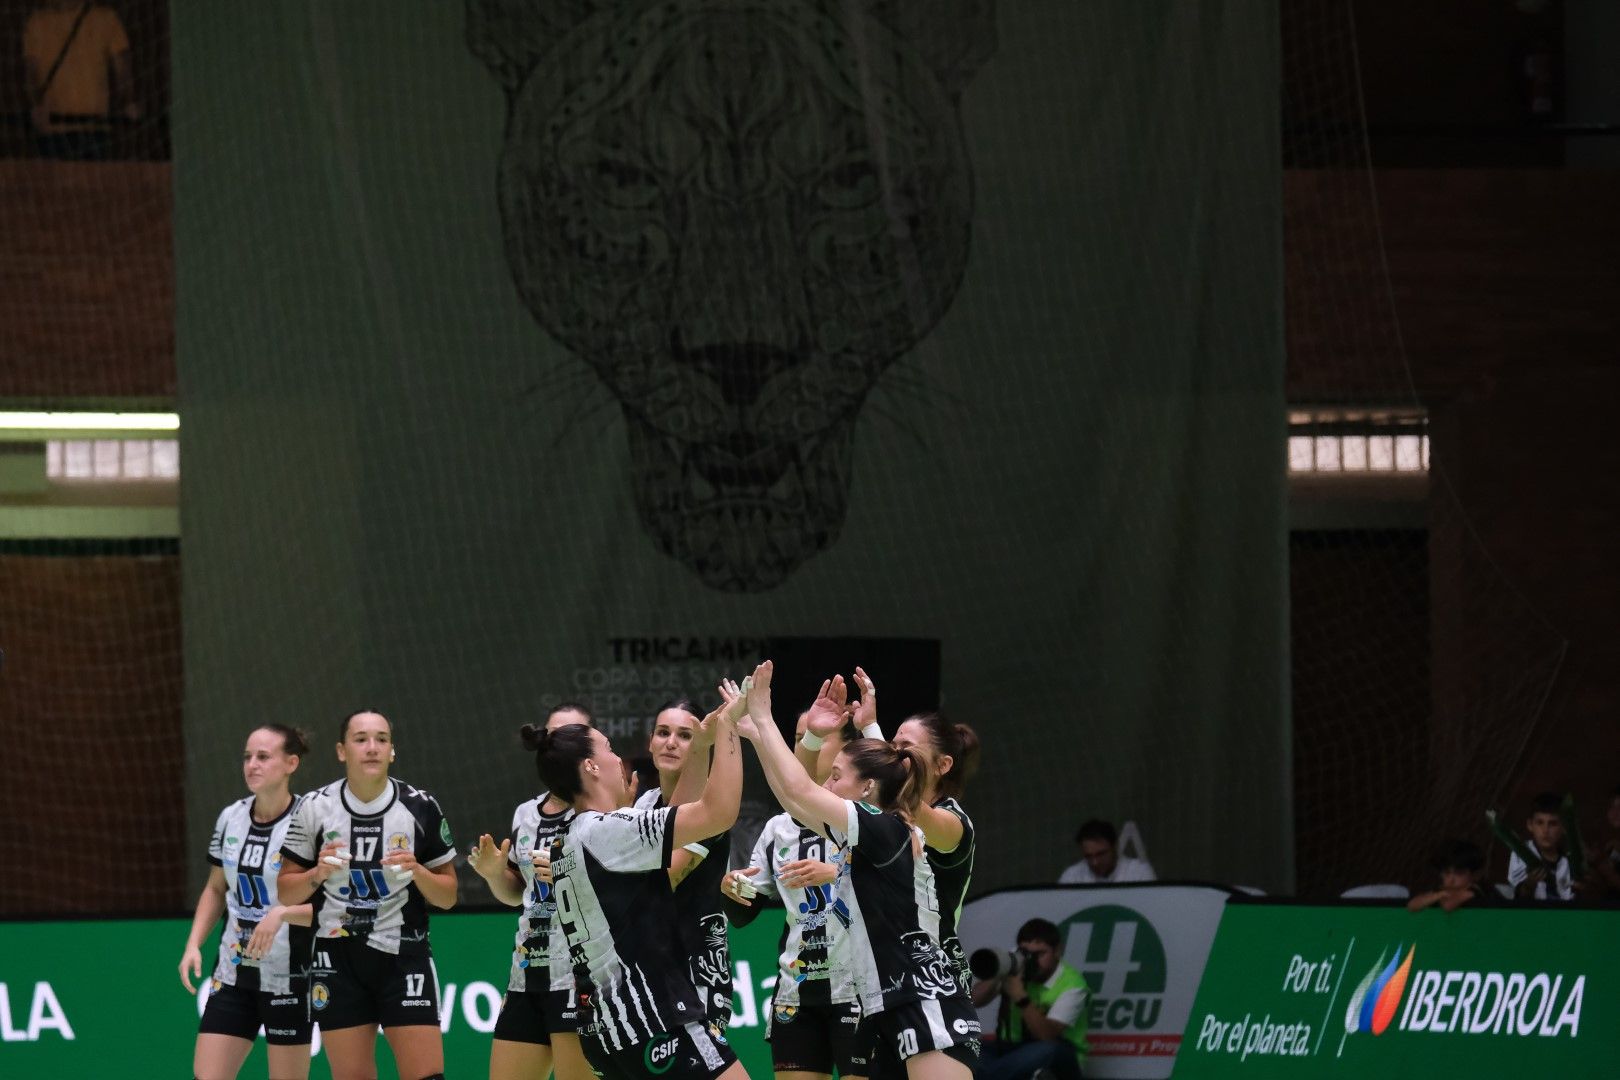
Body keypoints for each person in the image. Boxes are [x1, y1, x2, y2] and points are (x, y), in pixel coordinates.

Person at [735, 661, 979, 1080]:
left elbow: (803, 791)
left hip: (922, 993)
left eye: (834, 777)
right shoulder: (876, 826)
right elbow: (797, 800)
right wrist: (773, 736)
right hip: (882, 1001)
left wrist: (763, 716)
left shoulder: (895, 825)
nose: (824, 785)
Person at [535, 687, 748, 1080]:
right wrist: (729, 730)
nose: (619, 757)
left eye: (683, 735)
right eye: (609, 748)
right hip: (654, 1014)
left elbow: (675, 819)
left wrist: (701, 750)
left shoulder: (568, 838)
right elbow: (717, 812)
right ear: (591, 767)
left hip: (607, 1026)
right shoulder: (611, 830)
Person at [278, 710, 459, 1080]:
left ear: (392, 750)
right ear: (342, 751)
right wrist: (317, 873)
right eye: (361, 739)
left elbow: (448, 896)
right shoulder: (314, 808)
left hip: (403, 954)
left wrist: (418, 871)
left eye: (381, 739)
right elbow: (285, 891)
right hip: (337, 957)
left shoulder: (420, 806)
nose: (372, 748)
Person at [722, 709, 864, 1080]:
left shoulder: (865, 819)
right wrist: (733, 889)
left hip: (860, 991)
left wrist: (836, 871)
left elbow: (896, 877)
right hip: (796, 994)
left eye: (818, 736)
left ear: (850, 748)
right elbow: (742, 915)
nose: (806, 745)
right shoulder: (777, 829)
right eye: (800, 737)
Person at [468, 703, 597, 1080]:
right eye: (557, 738)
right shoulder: (526, 814)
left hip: (578, 977)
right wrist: (494, 875)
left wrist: (569, 875)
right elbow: (517, 895)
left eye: (576, 737)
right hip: (526, 974)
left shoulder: (602, 812)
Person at [180, 724, 315, 1080]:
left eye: (263, 757)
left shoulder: (310, 821)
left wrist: (282, 914)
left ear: (291, 764)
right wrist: (194, 943)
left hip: (289, 978)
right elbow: (215, 888)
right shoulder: (231, 817)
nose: (252, 764)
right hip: (233, 974)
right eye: (247, 757)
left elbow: (330, 910)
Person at [635, 699, 736, 1030]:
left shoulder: (710, 806)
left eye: (685, 735)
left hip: (697, 972)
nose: (671, 742)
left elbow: (666, 877)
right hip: (648, 966)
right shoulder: (644, 804)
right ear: (650, 742)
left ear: (703, 745)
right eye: (663, 733)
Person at [889, 701, 981, 994]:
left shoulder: (954, 822)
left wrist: (869, 732)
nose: (895, 754)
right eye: (893, 745)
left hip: (936, 973)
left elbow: (907, 800)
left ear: (943, 765)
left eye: (906, 746)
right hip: (887, 969)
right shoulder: (888, 815)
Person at [969, 919, 1090, 1080]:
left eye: (1039, 954)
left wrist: (1020, 996)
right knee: (966, 1049)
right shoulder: (1017, 961)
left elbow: (1046, 1036)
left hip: (1058, 1054)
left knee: (1048, 1050)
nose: (1031, 959)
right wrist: (999, 971)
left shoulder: (1073, 985)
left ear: (1058, 951)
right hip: (1008, 1049)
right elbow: (973, 1001)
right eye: (1026, 952)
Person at [21, 0, 139, 159]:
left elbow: (123, 71)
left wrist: (128, 101)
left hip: (95, 128)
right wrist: (36, 106)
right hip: (53, 128)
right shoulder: (37, 22)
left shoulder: (105, 19)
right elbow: (30, 74)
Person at [1507, 791, 1574, 902]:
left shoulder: (1570, 858)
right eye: (1539, 823)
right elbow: (1518, 897)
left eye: (1552, 824)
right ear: (1530, 825)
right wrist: (1529, 885)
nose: (1545, 830)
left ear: (1564, 827)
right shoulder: (1521, 852)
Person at [1407, 840, 1497, 913]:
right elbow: (1412, 905)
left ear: (1475, 875)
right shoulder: (1441, 892)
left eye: (1459, 874)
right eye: (1447, 873)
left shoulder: (1475, 890)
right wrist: (1437, 895)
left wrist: (1441, 896)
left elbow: (1448, 905)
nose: (1451, 879)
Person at [1058, 820, 1155, 885]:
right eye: (1088, 856)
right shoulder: (1071, 877)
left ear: (1115, 847)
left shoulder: (1139, 873)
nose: (1095, 862)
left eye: (1101, 854)